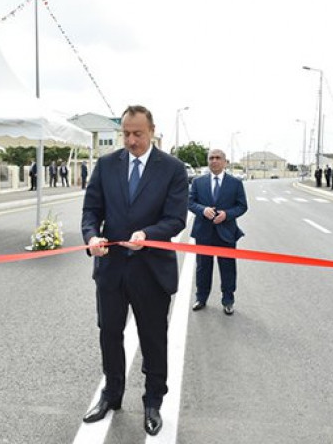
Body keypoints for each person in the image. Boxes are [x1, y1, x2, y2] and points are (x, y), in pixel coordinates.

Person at [81, 105, 188, 436]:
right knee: (110, 334)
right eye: (126, 134)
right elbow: (91, 211)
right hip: (111, 269)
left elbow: (176, 219)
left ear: (151, 131)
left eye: (137, 134)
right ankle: (111, 395)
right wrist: (91, 237)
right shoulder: (106, 165)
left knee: (153, 338)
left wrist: (148, 234)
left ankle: (153, 401)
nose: (131, 140)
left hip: (151, 269)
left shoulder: (172, 169)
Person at [188, 149, 248, 315]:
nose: (214, 161)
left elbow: (242, 206)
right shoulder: (198, 182)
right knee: (203, 268)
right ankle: (201, 298)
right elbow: (190, 202)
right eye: (211, 158)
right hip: (203, 232)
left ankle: (228, 300)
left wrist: (226, 215)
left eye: (218, 158)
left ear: (225, 162)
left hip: (226, 233)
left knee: (228, 268)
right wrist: (203, 210)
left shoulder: (235, 183)